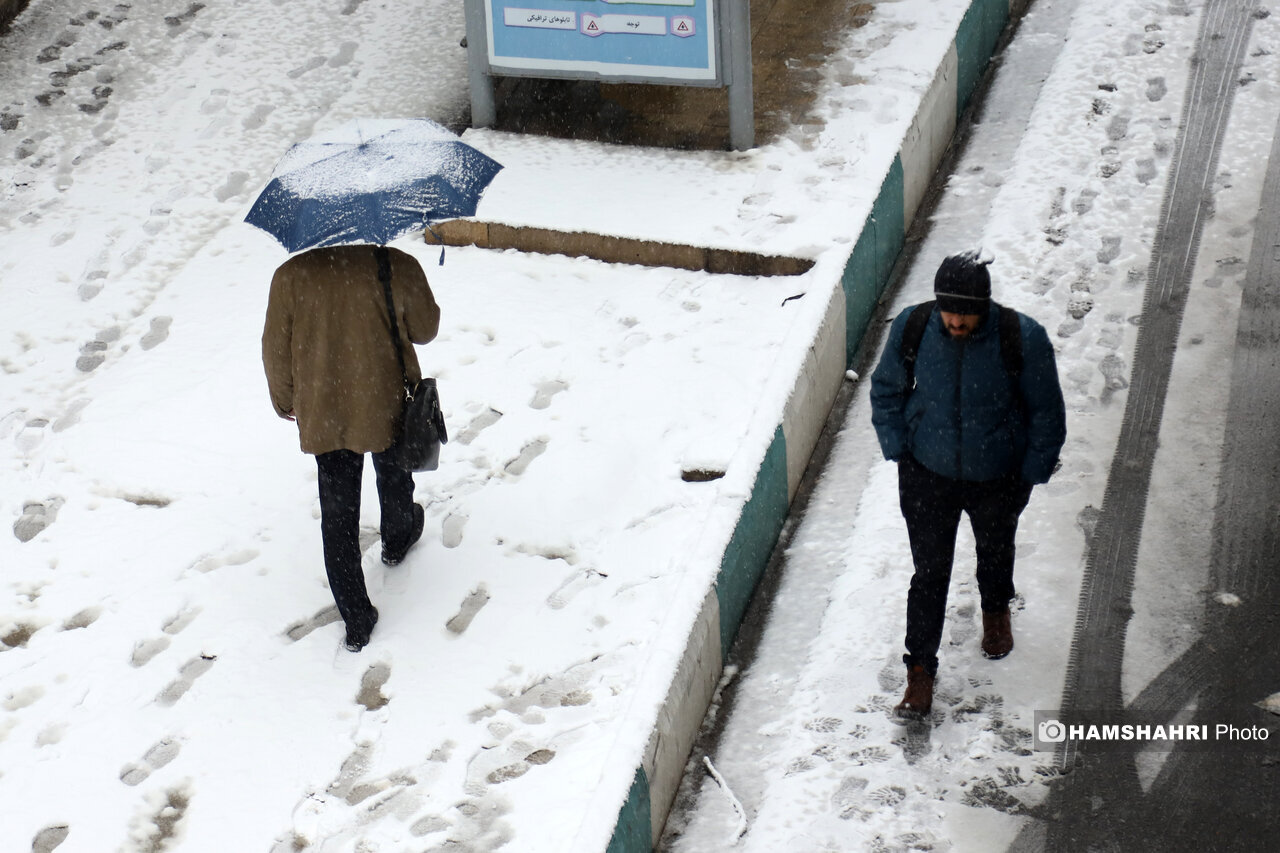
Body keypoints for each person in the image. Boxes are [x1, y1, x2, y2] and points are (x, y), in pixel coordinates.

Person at [869, 249, 1066, 719]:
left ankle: (995, 610)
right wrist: (898, 448)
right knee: (929, 573)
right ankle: (920, 670)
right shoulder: (914, 326)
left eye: (966, 313)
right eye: (949, 311)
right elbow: (886, 388)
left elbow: (1046, 413)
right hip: (926, 473)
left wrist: (1030, 473)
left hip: (996, 475)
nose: (956, 321)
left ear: (984, 306)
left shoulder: (1022, 337)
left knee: (995, 551)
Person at [262, 244, 440, 652]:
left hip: (325, 407)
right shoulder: (394, 263)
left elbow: (275, 349)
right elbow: (425, 329)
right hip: (385, 396)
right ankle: (397, 538)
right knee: (394, 472)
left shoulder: (290, 276)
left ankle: (356, 617)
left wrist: (285, 400)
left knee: (338, 515)